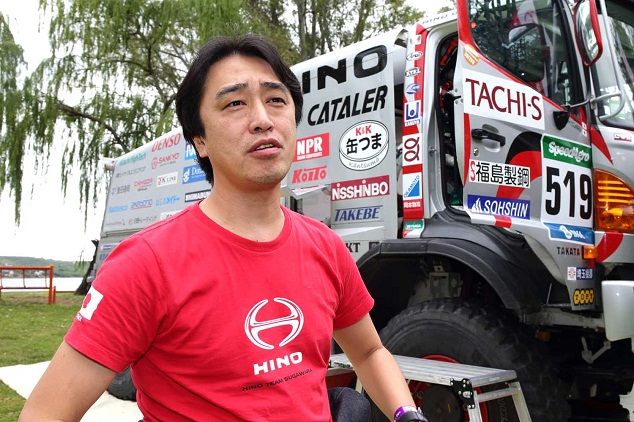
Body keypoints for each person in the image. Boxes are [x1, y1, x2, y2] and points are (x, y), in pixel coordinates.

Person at [19, 34, 427, 422]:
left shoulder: (325, 247)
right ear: (200, 140)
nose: (263, 119)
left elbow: (371, 353)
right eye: (235, 104)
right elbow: (45, 412)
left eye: (276, 100)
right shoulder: (146, 265)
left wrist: (406, 414)